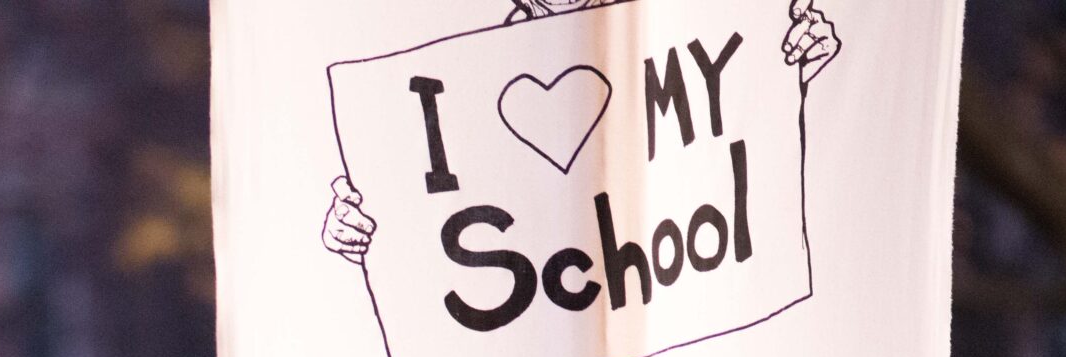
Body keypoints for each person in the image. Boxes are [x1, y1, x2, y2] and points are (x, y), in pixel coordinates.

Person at [321, 0, 843, 264]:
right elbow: (413, 211)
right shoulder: (456, 87)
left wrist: (791, 75)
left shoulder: (690, 41)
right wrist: (359, 230)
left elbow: (727, 165)